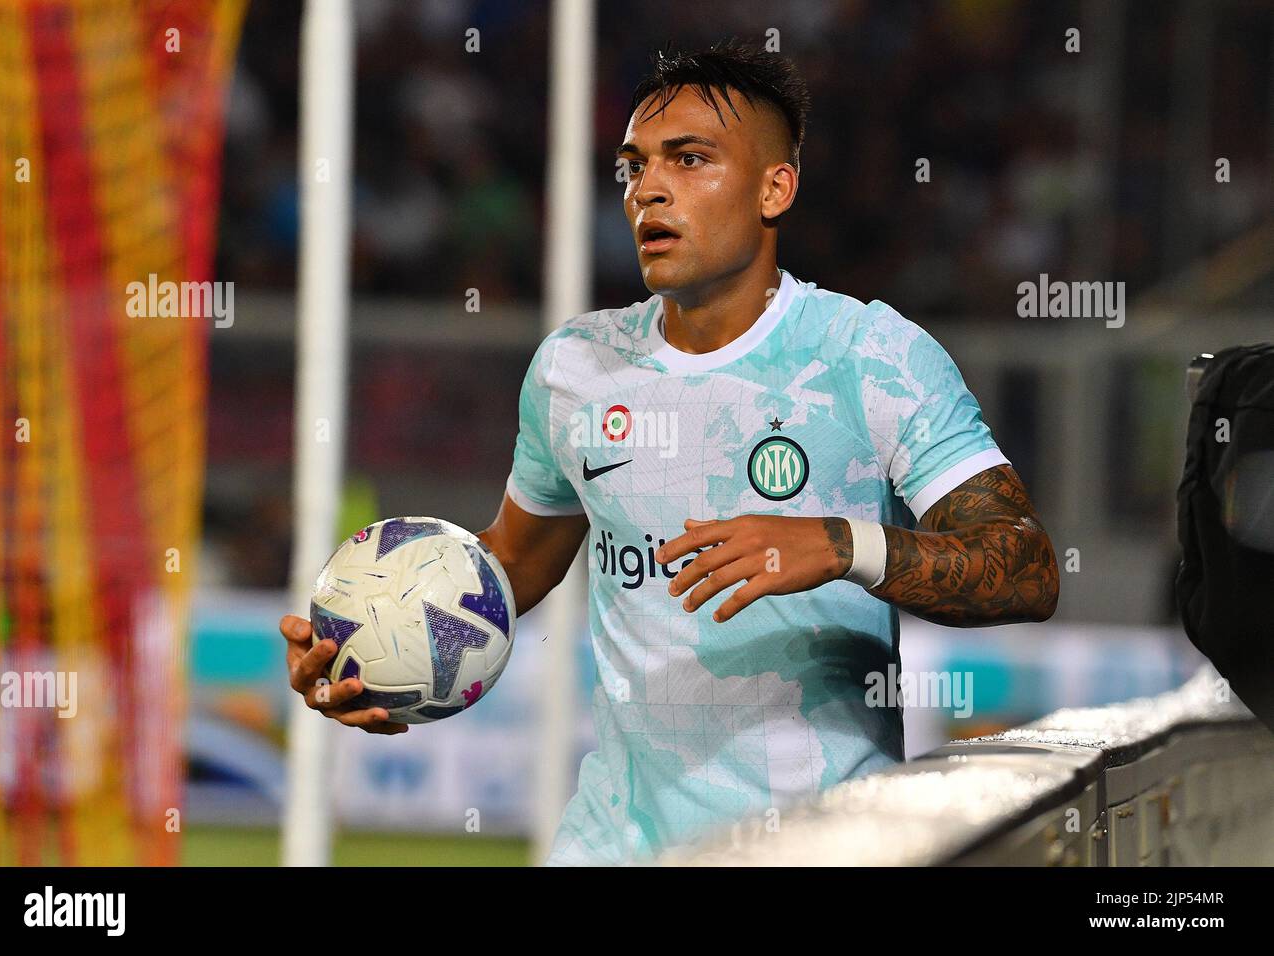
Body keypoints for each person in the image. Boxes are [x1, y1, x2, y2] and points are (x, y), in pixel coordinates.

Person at [280, 38, 1059, 865]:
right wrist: (383, 650)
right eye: (633, 166)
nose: (648, 188)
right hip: (615, 842)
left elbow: (1025, 567)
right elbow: (509, 566)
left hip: (821, 847)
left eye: (690, 161)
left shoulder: (872, 357)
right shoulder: (577, 368)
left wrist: (841, 546)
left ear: (774, 187)